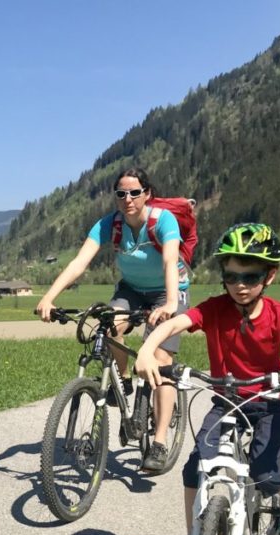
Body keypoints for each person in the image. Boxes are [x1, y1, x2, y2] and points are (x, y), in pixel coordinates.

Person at [133, 223, 280, 535]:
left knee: (265, 473)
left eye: (250, 276)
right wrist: (148, 350)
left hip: (271, 402)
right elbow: (173, 324)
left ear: (269, 275)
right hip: (227, 402)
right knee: (195, 469)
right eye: (230, 275)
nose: (239, 285)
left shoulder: (279, 314)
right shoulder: (214, 309)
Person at [36, 167, 188, 473]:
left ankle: (158, 443)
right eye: (121, 193)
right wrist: (49, 297)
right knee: (108, 327)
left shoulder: (162, 221)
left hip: (169, 291)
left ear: (147, 194)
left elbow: (171, 259)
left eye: (134, 192)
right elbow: (79, 262)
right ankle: (124, 379)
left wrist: (171, 302)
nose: (127, 199)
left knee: (160, 359)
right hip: (131, 290)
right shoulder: (110, 224)